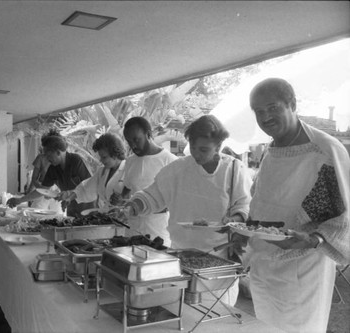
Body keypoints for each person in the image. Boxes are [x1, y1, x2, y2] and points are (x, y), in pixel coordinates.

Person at [242, 78, 350, 333]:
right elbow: (260, 201)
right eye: (258, 111)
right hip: (264, 265)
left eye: (272, 107)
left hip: (303, 270)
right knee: (265, 326)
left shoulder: (324, 150)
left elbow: (344, 215)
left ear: (292, 104)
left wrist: (314, 239)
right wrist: (243, 231)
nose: (265, 116)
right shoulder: (271, 150)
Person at [122, 115, 252, 305]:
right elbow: (152, 195)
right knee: (183, 309)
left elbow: (245, 204)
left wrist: (236, 217)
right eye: (193, 148)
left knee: (217, 314)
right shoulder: (177, 169)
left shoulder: (234, 169)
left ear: (219, 146)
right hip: (181, 256)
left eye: (204, 150)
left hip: (219, 260)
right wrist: (133, 206)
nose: (197, 154)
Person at [111, 116, 178, 245]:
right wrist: (120, 201)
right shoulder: (130, 161)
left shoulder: (170, 161)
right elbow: (127, 191)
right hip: (132, 230)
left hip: (158, 232)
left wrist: (143, 207)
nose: (133, 145)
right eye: (129, 141)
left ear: (148, 134)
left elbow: (174, 203)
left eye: (136, 139)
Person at [7, 130, 94, 217]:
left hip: (89, 209)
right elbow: (42, 191)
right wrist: (20, 200)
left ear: (58, 152)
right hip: (71, 210)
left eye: (49, 156)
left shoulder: (76, 160)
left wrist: (68, 195)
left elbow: (90, 186)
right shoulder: (53, 168)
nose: (47, 159)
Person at [57, 133, 126, 210]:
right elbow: (85, 188)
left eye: (104, 157)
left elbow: (137, 195)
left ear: (115, 154)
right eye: (101, 157)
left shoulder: (128, 169)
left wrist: (123, 200)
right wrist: (69, 198)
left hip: (124, 217)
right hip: (106, 216)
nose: (101, 160)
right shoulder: (102, 171)